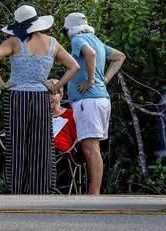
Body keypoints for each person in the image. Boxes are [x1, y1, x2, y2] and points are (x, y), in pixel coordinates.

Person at [0, 5, 79, 194]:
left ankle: (16, 189)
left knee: (17, 143)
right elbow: (74, 66)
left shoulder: (14, 41)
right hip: (40, 97)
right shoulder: (52, 43)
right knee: (42, 144)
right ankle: (42, 189)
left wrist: (2, 84)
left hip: (16, 97)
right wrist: (55, 86)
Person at [63, 12, 126, 195]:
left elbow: (89, 54)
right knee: (93, 146)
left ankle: (94, 193)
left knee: (90, 147)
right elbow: (120, 56)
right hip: (101, 98)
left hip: (88, 100)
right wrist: (104, 79)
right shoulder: (96, 40)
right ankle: (94, 191)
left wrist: (91, 80)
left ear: (71, 28)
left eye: (66, 29)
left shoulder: (78, 39)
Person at [44, 79, 77, 153]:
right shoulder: (39, 115)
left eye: (52, 93)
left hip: (61, 153)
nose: (48, 97)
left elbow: (77, 139)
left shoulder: (71, 114)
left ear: (61, 95)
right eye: (45, 94)